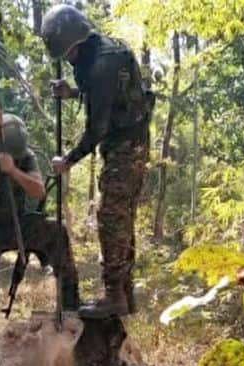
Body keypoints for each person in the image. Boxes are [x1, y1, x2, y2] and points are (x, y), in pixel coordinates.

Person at [42, 4, 153, 318]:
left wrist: (69, 160)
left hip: (126, 146)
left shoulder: (102, 63)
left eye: (67, 55)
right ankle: (125, 294)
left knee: (111, 217)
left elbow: (97, 128)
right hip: (128, 141)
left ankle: (115, 294)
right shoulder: (102, 51)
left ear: (75, 43)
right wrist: (72, 93)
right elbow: (108, 97)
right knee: (121, 217)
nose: (67, 61)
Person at [0, 105, 80, 366]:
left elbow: (37, 191)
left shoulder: (25, 157)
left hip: (12, 225)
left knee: (55, 233)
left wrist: (13, 170)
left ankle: (71, 308)